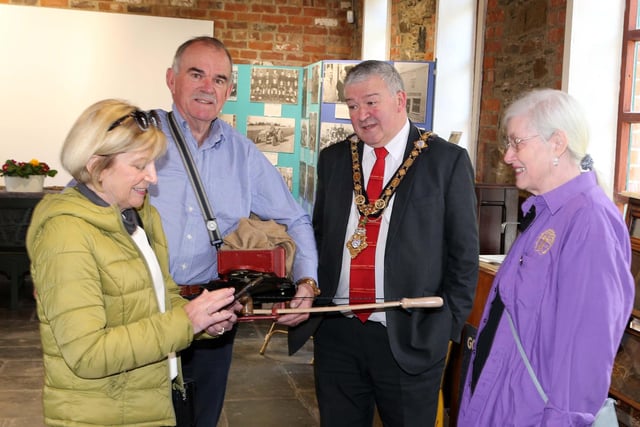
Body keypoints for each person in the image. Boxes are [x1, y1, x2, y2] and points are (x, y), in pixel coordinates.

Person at [25, 99, 241, 426]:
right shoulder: (66, 234)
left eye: (153, 163)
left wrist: (205, 321)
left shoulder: (139, 216)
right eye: (141, 165)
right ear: (97, 165)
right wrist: (186, 322)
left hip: (145, 404)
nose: (152, 177)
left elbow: (160, 298)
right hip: (101, 415)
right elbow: (87, 354)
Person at [289, 60, 479, 426]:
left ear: (400, 100)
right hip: (338, 331)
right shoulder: (334, 159)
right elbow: (319, 236)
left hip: (410, 334)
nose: (361, 115)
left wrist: (445, 328)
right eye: (352, 105)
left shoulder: (445, 161)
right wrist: (306, 284)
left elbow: (464, 256)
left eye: (371, 102)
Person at [148, 36, 319, 426]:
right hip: (146, 305)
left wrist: (307, 283)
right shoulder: (140, 137)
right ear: (171, 79)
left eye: (220, 79)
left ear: (229, 90)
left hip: (213, 310)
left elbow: (295, 218)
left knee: (202, 418)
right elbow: (86, 200)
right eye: (196, 74)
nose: (208, 87)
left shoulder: (243, 154)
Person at [457, 89, 635, 425]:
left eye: (517, 142)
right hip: (501, 405)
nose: (508, 156)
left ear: (557, 143)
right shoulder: (545, 212)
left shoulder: (589, 223)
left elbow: (585, 356)